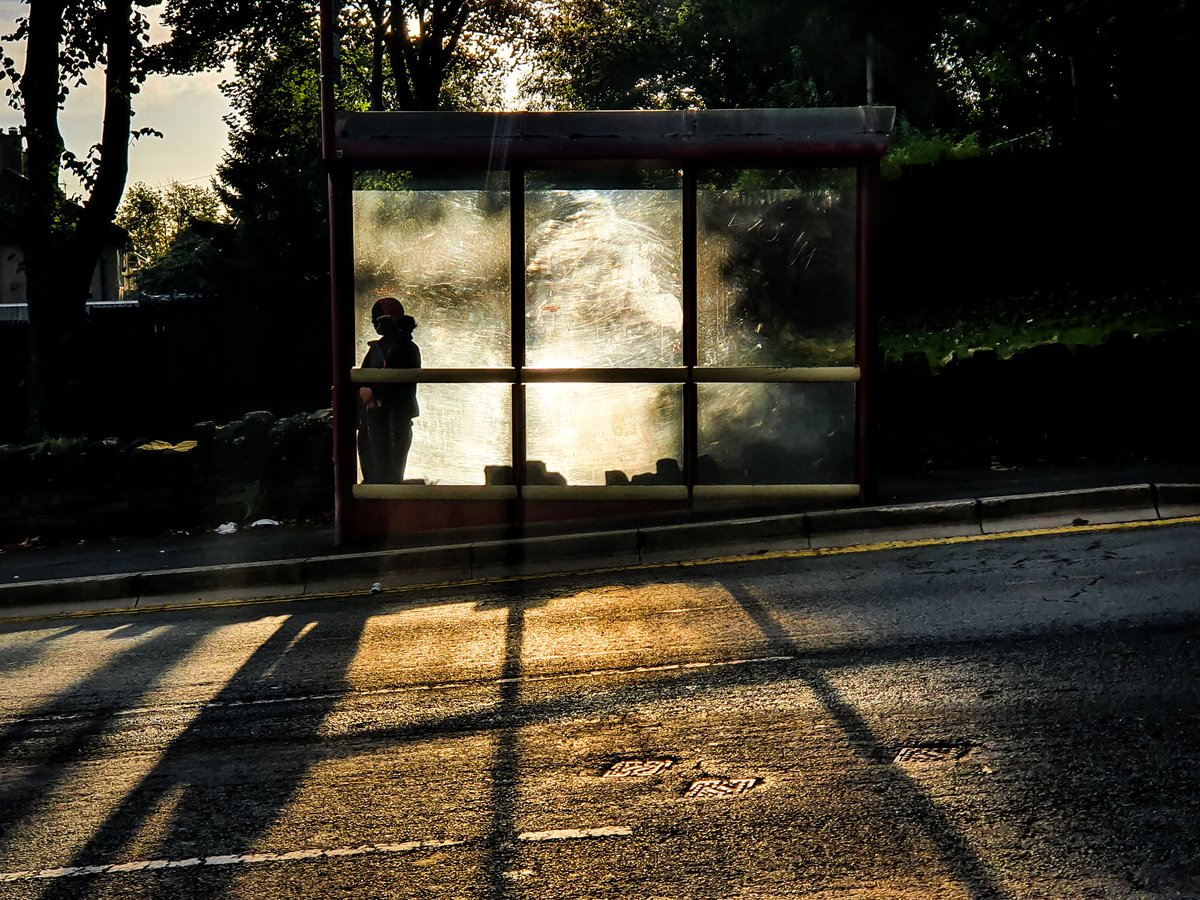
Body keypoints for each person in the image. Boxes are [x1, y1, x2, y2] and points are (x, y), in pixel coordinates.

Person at [358, 297, 421, 483]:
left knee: (388, 473)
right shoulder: (380, 348)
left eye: (377, 318)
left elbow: (401, 385)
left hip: (392, 420)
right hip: (375, 419)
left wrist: (374, 394)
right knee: (375, 470)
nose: (374, 323)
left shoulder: (405, 349)